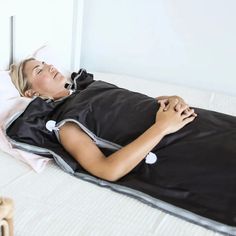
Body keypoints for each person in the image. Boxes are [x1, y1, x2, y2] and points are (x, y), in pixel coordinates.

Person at [10, 58, 197, 181]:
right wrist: (162, 126)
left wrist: (173, 100)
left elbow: (132, 105)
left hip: (189, 119)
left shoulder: (89, 86)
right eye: (38, 70)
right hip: (175, 141)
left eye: (45, 62)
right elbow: (107, 170)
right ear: (31, 93)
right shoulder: (66, 123)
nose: (49, 66)